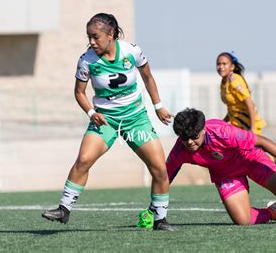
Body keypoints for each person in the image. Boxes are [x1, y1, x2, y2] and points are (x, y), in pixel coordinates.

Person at [41, 13, 176, 231]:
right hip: (106, 121)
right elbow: (79, 92)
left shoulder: (132, 51)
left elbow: (148, 77)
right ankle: (63, 209)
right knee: (84, 159)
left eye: (96, 37)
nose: (92, 42)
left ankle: (160, 219)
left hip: (135, 119)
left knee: (159, 168)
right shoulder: (86, 60)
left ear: (110, 34)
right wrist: (91, 112)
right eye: (89, 37)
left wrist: (158, 106)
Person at [138, 108, 276, 227]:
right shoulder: (181, 148)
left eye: (193, 136)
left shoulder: (223, 133)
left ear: (203, 130)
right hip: (225, 174)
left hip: (250, 159)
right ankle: (273, 212)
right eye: (184, 138)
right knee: (243, 221)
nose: (189, 142)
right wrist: (154, 208)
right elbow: (165, 177)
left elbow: (261, 141)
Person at [216, 52, 266, 135]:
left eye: (224, 64)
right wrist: (222, 123)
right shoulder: (224, 82)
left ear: (232, 67)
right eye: (218, 64)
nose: (221, 67)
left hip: (248, 126)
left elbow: (250, 104)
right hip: (237, 126)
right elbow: (233, 108)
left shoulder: (234, 80)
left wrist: (252, 129)